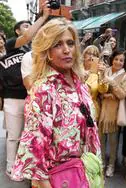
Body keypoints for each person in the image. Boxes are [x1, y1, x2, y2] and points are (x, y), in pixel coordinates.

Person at [11, 18, 101, 187]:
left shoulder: (80, 84)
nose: (67, 50)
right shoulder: (43, 90)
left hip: (86, 171)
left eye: (70, 43)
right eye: (57, 45)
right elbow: (35, 150)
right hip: (58, 178)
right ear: (47, 52)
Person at [0, 2, 51, 180]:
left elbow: (30, 36)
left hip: (30, 96)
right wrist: (43, 17)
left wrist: (43, 19)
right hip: (11, 98)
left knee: (26, 135)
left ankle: (25, 166)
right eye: (24, 26)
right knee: (13, 136)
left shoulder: (14, 47)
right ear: (16, 31)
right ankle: (10, 167)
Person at [98, 50, 126, 177]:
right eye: (116, 59)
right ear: (112, 59)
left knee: (113, 141)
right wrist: (106, 93)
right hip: (102, 110)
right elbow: (99, 89)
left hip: (115, 112)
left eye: (121, 60)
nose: (118, 62)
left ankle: (111, 164)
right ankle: (101, 162)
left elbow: (123, 94)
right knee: (100, 139)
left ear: (124, 62)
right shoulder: (105, 71)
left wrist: (112, 84)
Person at [82, 45, 106, 121]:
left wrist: (102, 75)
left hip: (92, 110)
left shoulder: (98, 73)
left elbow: (103, 90)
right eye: (89, 53)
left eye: (95, 55)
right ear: (84, 55)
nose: (91, 56)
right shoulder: (76, 69)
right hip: (76, 107)